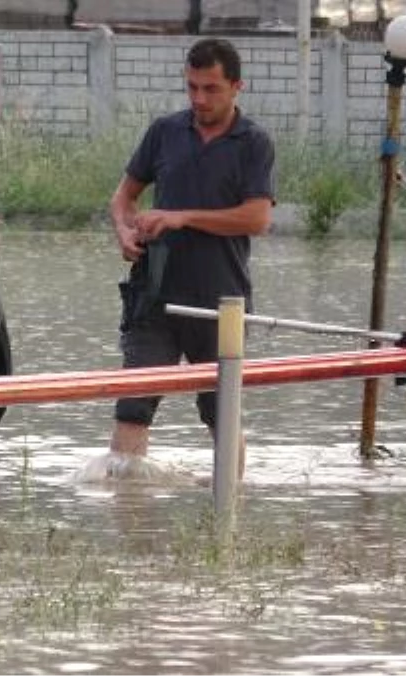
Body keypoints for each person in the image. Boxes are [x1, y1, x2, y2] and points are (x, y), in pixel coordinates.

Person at [104, 37, 275, 479]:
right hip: (155, 295)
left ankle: (227, 520)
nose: (200, 98)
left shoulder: (253, 143)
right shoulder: (165, 131)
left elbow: (257, 218)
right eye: (192, 87)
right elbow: (124, 197)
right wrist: (124, 229)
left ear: (237, 87)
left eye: (211, 89)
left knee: (222, 412)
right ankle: (129, 519)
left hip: (221, 301)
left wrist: (182, 217)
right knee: (132, 406)